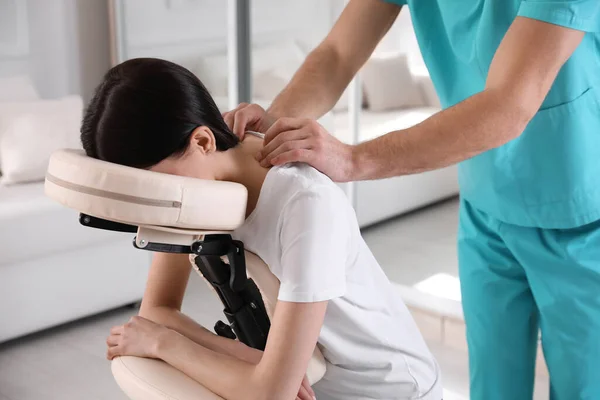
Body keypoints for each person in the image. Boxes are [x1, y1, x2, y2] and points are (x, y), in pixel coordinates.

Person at [224, 1, 600, 399]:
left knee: (583, 385)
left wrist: (353, 159)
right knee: (493, 384)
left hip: (576, 210)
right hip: (485, 204)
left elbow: (509, 104)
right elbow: (337, 54)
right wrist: (274, 128)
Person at [81, 58, 443, 400]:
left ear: (203, 142)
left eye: (156, 185)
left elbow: (271, 393)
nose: (156, 203)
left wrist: (165, 343)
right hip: (319, 386)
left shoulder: (305, 204)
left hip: (391, 390)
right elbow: (157, 311)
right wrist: (255, 362)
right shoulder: (191, 193)